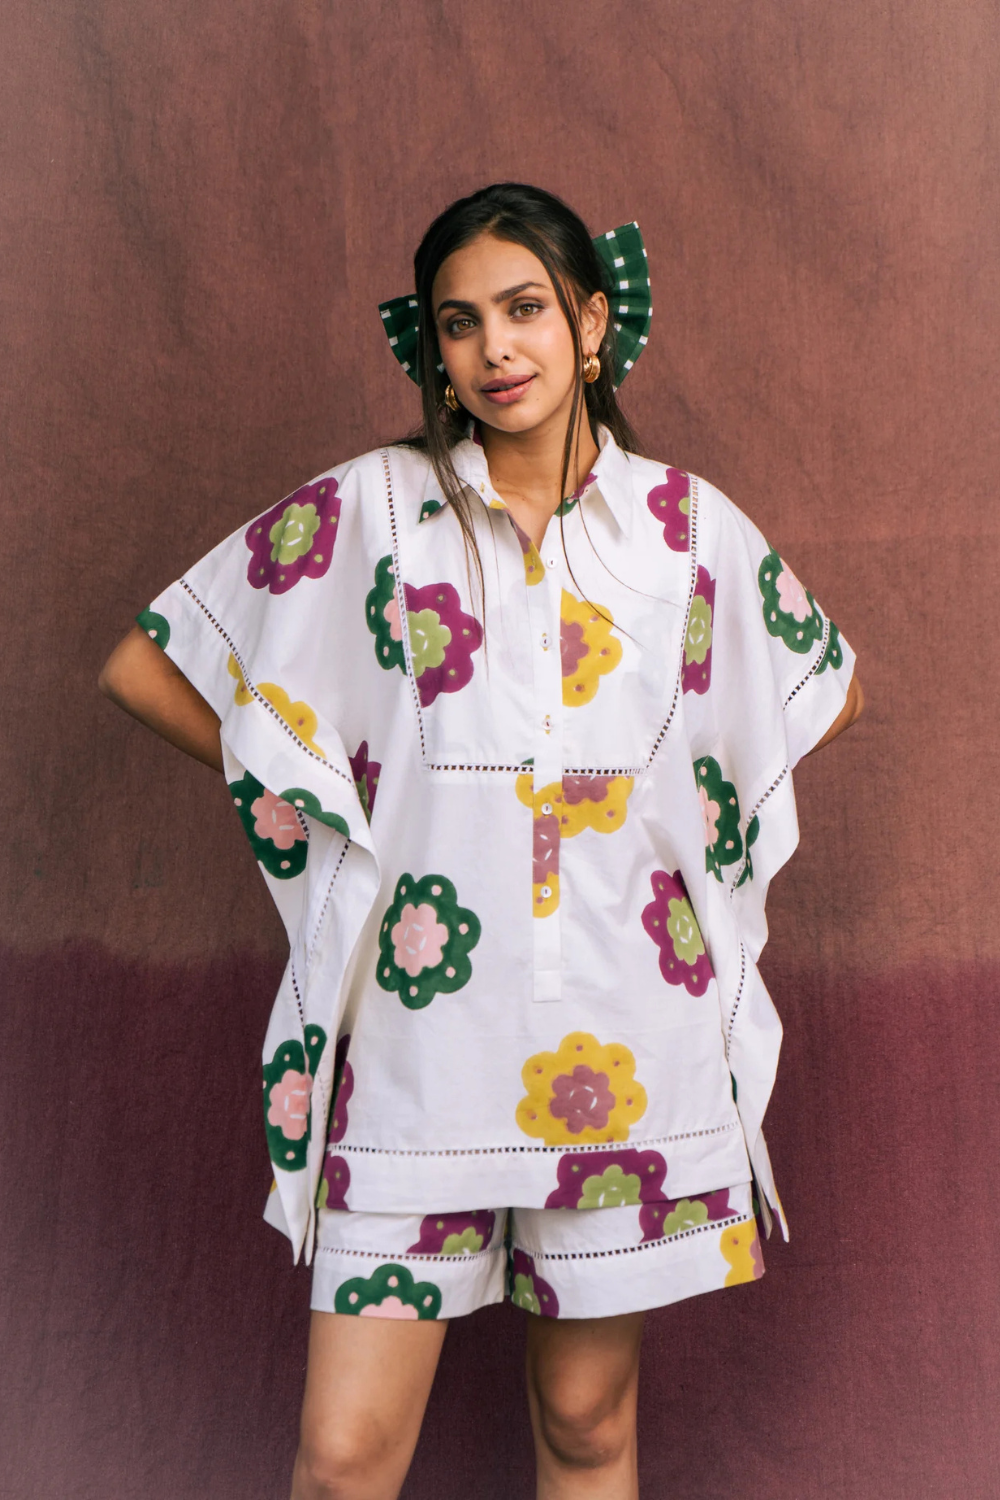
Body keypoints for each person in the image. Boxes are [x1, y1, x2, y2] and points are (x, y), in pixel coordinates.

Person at [99, 182, 863, 1500]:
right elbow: (151, 667)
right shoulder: (372, 515)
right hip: (421, 1052)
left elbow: (818, 688)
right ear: (434, 349)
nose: (496, 349)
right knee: (345, 1457)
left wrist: (676, 829)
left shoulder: (685, 532)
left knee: (588, 1426)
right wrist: (325, 805)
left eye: (524, 310)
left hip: (627, 1043)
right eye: (461, 323)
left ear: (592, 322)